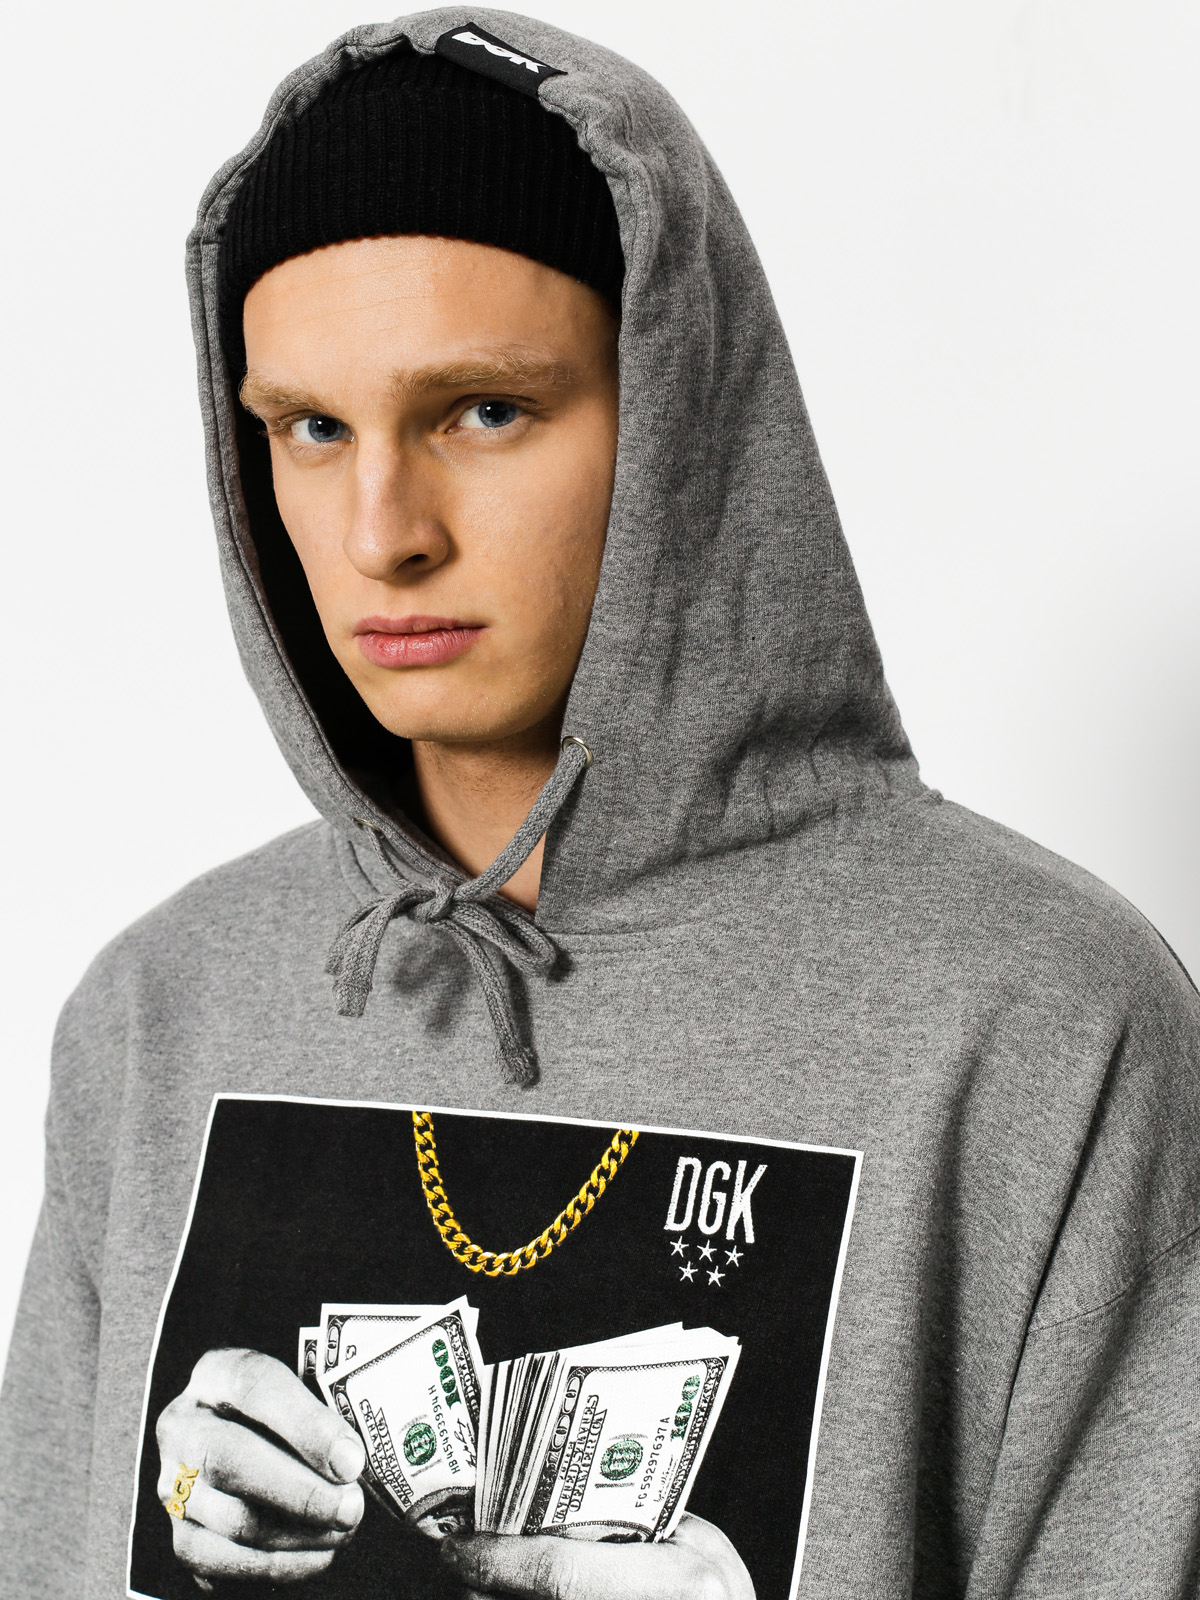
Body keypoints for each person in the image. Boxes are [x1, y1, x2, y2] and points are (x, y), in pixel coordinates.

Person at [1, 10, 1198, 1600]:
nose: (382, 531)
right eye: (311, 429)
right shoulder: (161, 1012)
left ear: (681, 420)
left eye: (483, 410)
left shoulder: (1040, 1022)